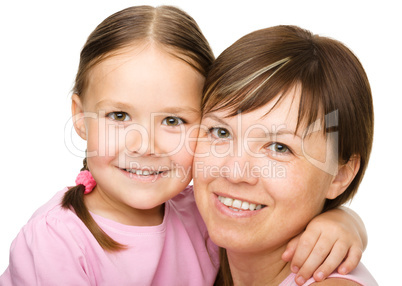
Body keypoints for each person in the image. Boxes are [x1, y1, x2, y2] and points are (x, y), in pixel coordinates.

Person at [0, 6, 367, 285]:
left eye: (174, 121)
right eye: (222, 133)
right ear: (80, 118)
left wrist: (344, 218)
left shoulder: (196, 219)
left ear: (341, 175)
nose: (144, 145)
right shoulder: (57, 241)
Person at [193, 25, 378, 285]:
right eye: (220, 132)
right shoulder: (191, 239)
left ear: (340, 175)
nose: (234, 172)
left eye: (279, 147)